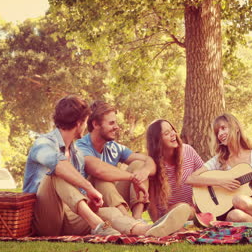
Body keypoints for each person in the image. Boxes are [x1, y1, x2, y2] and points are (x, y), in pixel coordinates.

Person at [23, 95, 190, 237]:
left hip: (71, 217)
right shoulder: (43, 143)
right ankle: (98, 225)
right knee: (56, 173)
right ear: (80, 121)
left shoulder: (75, 153)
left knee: (111, 213)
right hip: (44, 219)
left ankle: (146, 230)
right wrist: (89, 188)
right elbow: (60, 166)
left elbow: (76, 193)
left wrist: (91, 202)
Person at [186, 113, 252, 222]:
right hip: (234, 208)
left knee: (239, 199)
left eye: (223, 128)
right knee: (234, 216)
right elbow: (190, 179)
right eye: (217, 132)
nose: (220, 134)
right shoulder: (219, 160)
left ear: (236, 128)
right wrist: (220, 182)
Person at [76, 101, 156, 220]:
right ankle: (128, 221)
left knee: (139, 164)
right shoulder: (80, 147)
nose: (117, 127)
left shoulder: (114, 147)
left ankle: (137, 218)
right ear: (96, 124)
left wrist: (144, 170)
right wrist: (133, 178)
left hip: (112, 200)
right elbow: (98, 170)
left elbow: (148, 160)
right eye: (111, 123)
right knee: (102, 178)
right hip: (89, 206)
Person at [145, 119, 205, 222]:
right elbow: (152, 202)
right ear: (157, 141)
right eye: (167, 133)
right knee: (183, 208)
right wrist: (156, 224)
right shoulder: (153, 163)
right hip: (166, 216)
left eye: (172, 129)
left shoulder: (188, 151)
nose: (173, 134)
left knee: (186, 208)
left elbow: (205, 176)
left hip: (190, 212)